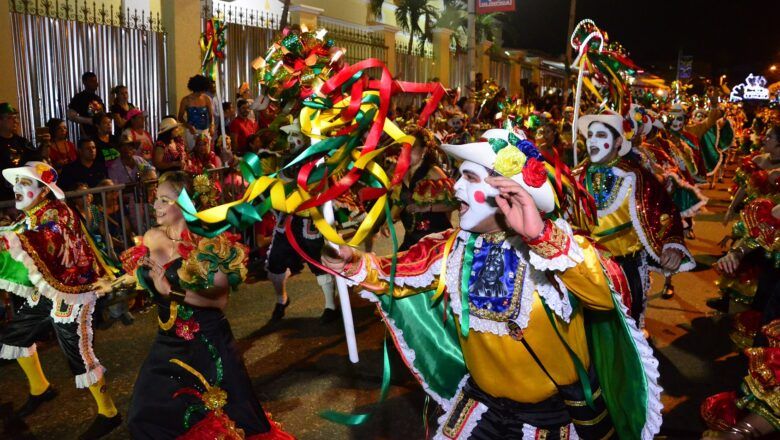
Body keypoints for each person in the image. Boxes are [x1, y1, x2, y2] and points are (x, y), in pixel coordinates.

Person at [322, 128, 662, 439]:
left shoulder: (560, 250)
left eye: (469, 177)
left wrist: (541, 237)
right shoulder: (448, 248)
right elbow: (393, 275)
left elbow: (607, 298)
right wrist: (352, 261)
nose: (455, 187)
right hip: (479, 409)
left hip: (550, 421)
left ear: (509, 191)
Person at [98, 171, 292, 439]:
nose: (155, 206)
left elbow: (219, 301)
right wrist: (112, 284)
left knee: (229, 420)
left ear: (185, 204)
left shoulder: (210, 245)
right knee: (145, 413)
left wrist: (171, 291)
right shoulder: (152, 237)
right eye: (156, 199)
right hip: (168, 339)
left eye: (164, 200)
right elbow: (140, 272)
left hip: (207, 342)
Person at [0, 161, 121, 439]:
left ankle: (109, 412)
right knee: (16, 335)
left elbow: (49, 238)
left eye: (24, 183)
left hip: (73, 290)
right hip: (49, 290)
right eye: (15, 183)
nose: (16, 189)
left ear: (43, 190)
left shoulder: (58, 212)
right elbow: (22, 238)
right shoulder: (31, 215)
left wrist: (12, 240)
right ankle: (41, 388)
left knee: (78, 354)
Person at [571, 111, 694, 325]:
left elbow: (665, 211)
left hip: (625, 273)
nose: (592, 141)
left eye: (601, 136)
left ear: (618, 141)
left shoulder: (637, 177)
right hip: (584, 272)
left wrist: (671, 245)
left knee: (625, 328)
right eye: (590, 136)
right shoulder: (574, 177)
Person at [392, 124, 456, 251]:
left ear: (424, 150)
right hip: (411, 240)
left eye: (412, 147)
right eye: (404, 148)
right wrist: (387, 221)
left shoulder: (433, 172)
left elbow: (455, 203)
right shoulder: (402, 174)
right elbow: (400, 202)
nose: (406, 152)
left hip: (434, 240)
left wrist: (427, 207)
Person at [0, 103, 39, 200]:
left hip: (25, 192)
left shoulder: (22, 142)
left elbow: (36, 160)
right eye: (10, 118)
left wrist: (45, 145)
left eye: (16, 118)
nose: (15, 121)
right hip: (4, 195)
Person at [177, 75, 214, 151]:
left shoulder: (206, 99)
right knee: (193, 153)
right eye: (201, 90)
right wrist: (189, 126)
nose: (203, 92)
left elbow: (211, 115)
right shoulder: (186, 100)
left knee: (206, 153)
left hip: (205, 130)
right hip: (192, 132)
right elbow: (180, 117)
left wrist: (212, 126)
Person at [67, 72, 105, 138]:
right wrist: (89, 121)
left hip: (101, 134)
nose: (96, 83)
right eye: (92, 81)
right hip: (88, 134)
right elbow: (71, 116)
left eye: (96, 81)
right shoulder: (79, 97)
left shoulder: (97, 98)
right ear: (84, 82)